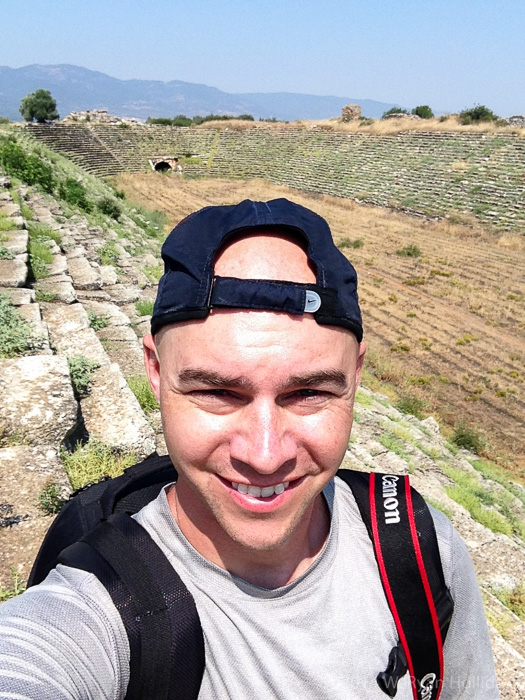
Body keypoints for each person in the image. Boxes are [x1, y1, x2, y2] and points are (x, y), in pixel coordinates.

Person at [0, 199, 499, 699]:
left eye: (309, 393)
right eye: (217, 392)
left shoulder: (421, 546)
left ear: (356, 376)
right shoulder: (96, 607)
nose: (264, 455)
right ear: (156, 372)